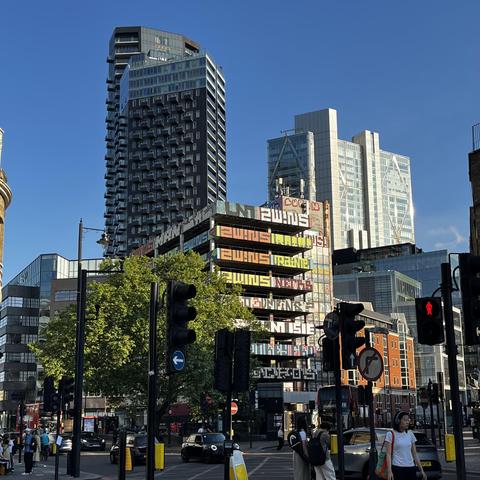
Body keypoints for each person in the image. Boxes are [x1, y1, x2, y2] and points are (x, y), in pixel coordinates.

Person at [385, 411, 427, 480]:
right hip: (398, 468)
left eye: (408, 420)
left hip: (411, 468)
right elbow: (388, 454)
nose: (407, 422)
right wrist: (389, 471)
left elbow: (415, 454)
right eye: (405, 420)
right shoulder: (390, 434)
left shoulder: (410, 434)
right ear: (398, 421)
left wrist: (421, 470)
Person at [293, 416, 310, 480]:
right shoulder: (303, 432)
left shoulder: (296, 431)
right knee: (303, 471)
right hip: (301, 453)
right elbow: (304, 446)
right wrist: (307, 456)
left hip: (296, 453)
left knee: (297, 470)